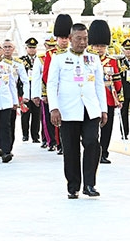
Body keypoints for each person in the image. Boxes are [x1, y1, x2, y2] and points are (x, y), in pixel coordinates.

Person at [48, 23, 108, 199]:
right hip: (68, 110)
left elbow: (99, 85)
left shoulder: (93, 59)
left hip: (90, 109)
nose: (82, 42)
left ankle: (89, 184)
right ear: (70, 39)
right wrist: (54, 108)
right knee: (71, 149)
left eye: (85, 38)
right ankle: (73, 186)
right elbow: (52, 85)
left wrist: (103, 109)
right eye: (78, 38)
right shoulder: (58, 59)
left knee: (92, 143)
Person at [40, 14, 72, 154]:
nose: (64, 41)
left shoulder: (74, 52)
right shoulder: (51, 54)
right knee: (58, 119)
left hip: (71, 90)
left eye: (66, 38)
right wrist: (47, 93)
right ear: (57, 38)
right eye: (62, 38)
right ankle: (59, 143)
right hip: (57, 90)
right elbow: (46, 75)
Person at [90, 20, 122, 163]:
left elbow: (117, 82)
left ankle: (104, 152)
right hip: (92, 98)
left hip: (108, 98)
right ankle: (94, 152)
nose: (99, 49)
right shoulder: (87, 60)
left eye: (102, 46)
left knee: (107, 128)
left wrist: (119, 98)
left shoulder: (112, 62)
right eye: (97, 45)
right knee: (92, 129)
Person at [3, 39, 29, 149]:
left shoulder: (18, 63)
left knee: (10, 123)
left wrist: (26, 96)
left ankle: (8, 148)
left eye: (10, 47)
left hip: (12, 96)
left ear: (13, 49)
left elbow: (25, 80)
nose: (7, 49)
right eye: (5, 47)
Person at [19, 38, 41, 143]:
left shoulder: (40, 59)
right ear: (26, 48)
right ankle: (25, 134)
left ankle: (35, 135)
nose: (32, 50)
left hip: (36, 88)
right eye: (30, 48)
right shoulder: (21, 60)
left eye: (33, 48)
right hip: (25, 89)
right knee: (25, 114)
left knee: (36, 115)